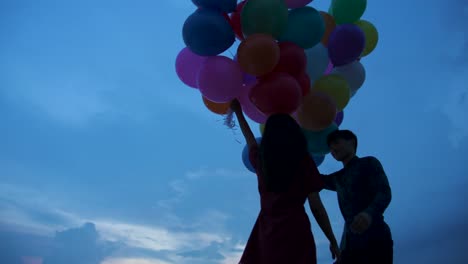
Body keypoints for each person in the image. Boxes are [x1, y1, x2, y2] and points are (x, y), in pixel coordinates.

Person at [230, 99, 340, 264]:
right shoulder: (304, 161)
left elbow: (250, 140)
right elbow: (316, 207)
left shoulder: (262, 161)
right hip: (297, 232)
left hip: (267, 233)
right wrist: (332, 239)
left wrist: (238, 112)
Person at [320, 129, 393, 264]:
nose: (333, 150)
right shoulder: (338, 178)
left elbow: (384, 192)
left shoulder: (368, 163)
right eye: (330, 148)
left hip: (376, 238)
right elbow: (316, 180)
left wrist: (368, 214)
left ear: (352, 142)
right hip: (351, 244)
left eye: (336, 143)